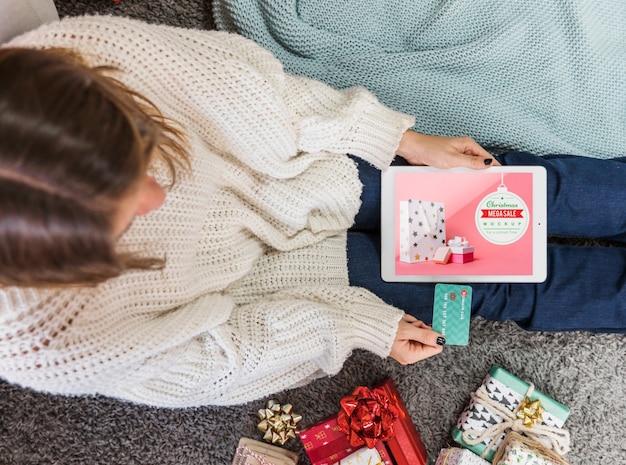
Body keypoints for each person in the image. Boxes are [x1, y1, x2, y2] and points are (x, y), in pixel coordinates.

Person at [0, 16, 624, 408]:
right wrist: (350, 327)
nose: (158, 199)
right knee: (491, 285)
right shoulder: (45, 341)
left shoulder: (71, 61)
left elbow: (265, 99)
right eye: (125, 220)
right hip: (286, 289)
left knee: (508, 191)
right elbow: (221, 360)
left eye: (143, 160)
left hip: (304, 174)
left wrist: (400, 138)